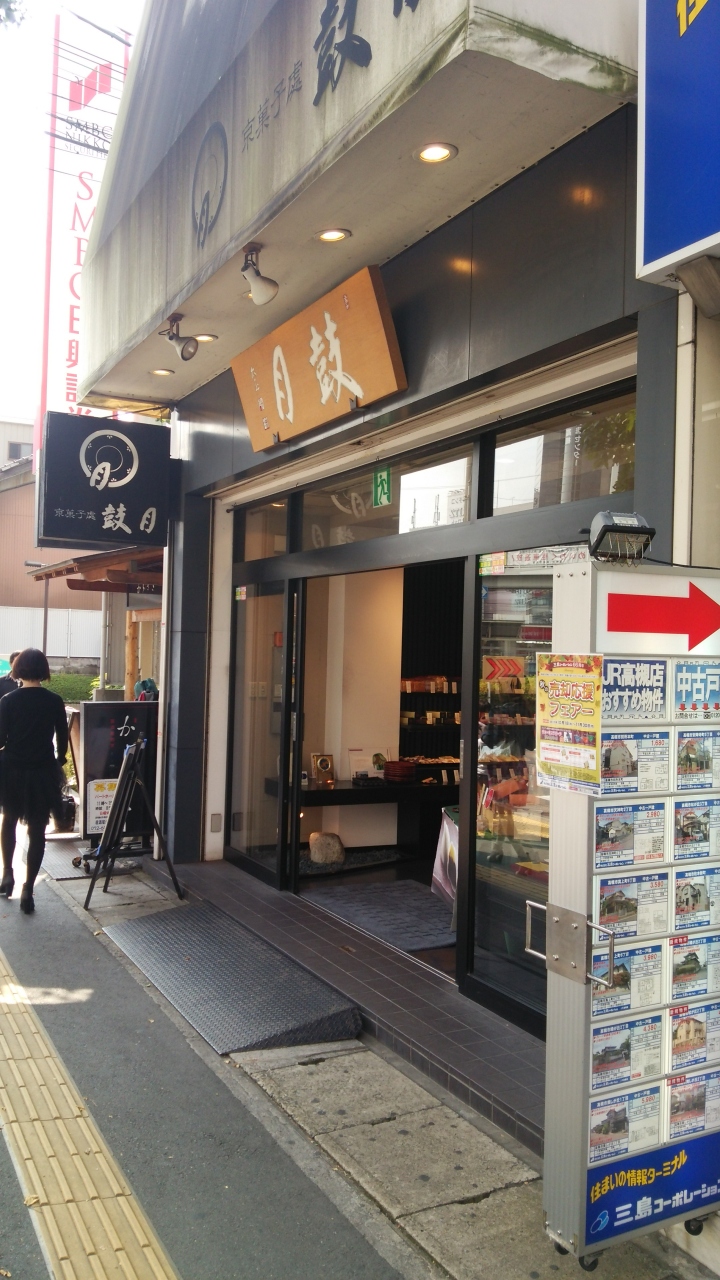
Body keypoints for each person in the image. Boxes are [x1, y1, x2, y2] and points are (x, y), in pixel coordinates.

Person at [0, 649, 68, 913]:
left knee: (9, 819)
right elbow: (62, 739)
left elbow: (0, 739)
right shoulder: (54, 701)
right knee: (38, 828)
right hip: (42, 770)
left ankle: (7, 874)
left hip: (12, 770)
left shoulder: (8, 700)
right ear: (44, 671)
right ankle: (28, 887)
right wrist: (59, 760)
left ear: (18, 670)